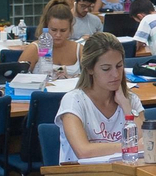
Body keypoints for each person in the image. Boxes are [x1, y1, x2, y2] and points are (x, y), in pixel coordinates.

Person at [55, 32, 144, 162]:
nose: (115, 74)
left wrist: (126, 106)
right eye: (106, 69)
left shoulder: (130, 100)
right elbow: (83, 151)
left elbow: (145, 141)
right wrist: (129, 146)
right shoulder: (74, 101)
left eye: (119, 66)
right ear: (90, 69)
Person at [20, 1, 81, 79]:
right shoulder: (34, 49)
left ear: (70, 29)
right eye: (54, 30)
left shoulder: (79, 49)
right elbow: (18, 78)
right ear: (46, 27)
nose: (58, 35)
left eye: (63, 30)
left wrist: (71, 77)